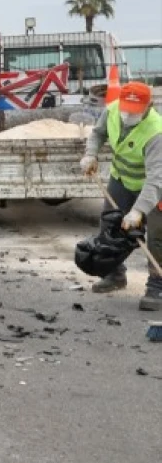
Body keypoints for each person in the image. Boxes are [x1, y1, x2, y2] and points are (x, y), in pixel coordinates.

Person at [79, 81, 162, 311]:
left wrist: (138, 211)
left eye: (134, 111)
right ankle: (115, 274)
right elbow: (97, 134)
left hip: (155, 186)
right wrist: (90, 155)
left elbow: (156, 180)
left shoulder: (156, 131)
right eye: (126, 108)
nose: (127, 115)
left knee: (157, 236)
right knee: (110, 224)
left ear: (149, 106)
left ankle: (157, 285)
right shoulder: (113, 110)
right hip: (122, 179)